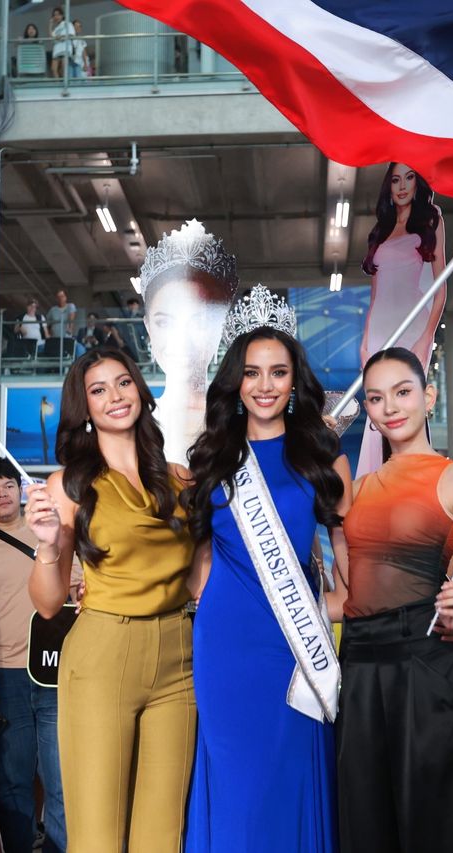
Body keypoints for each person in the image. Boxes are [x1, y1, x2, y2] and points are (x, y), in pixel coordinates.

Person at [181, 287, 352, 852]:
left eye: (278, 372)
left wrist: (332, 605)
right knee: (235, 780)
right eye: (252, 373)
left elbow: (345, 559)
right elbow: (199, 561)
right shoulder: (212, 458)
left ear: (295, 381)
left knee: (290, 771)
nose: (265, 385)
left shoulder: (323, 456)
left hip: (294, 643)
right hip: (227, 645)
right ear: (236, 382)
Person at [27, 346, 195, 852]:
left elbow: (202, 577)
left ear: (140, 390)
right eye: (98, 390)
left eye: (123, 382)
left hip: (180, 656)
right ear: (84, 407)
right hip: (104, 652)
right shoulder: (68, 487)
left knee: (163, 836)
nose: (115, 396)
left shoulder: (180, 478)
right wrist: (47, 546)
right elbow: (48, 604)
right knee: (98, 837)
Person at [338, 347, 453, 852]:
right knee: (365, 824)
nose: (390, 407)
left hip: (425, 663)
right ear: (367, 409)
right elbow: (347, 594)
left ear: (428, 396)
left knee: (436, 824)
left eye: (402, 392)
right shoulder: (355, 490)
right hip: (358, 667)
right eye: (376, 398)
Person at [0, 456, 68, 853]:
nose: (2, 494)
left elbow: (75, 588)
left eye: (7, 485)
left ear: (19, 489)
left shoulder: (50, 532)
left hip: (55, 671)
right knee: (14, 781)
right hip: (7, 677)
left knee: (60, 780)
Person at [356, 163, 447, 476]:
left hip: (413, 325)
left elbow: (440, 286)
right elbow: (375, 295)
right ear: (389, 187)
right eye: (395, 180)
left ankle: (413, 479)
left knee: (407, 401)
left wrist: (427, 335)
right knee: (379, 404)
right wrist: (365, 342)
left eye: (409, 178)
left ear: (418, 183)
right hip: (379, 329)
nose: (402, 186)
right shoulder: (381, 229)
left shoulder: (431, 218)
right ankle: (376, 481)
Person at [138, 219, 239, 464]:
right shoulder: (138, 422)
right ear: (148, 327)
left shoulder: (240, 418)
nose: (181, 340)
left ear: (220, 327)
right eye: (164, 322)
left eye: (199, 322)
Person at [45, 290, 78, 357]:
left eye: (62, 296)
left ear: (66, 297)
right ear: (56, 299)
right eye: (58, 297)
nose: (60, 298)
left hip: (66, 338)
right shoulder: (53, 310)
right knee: (55, 356)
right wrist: (47, 334)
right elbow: (45, 323)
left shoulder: (70, 306)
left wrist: (70, 328)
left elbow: (71, 318)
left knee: (67, 356)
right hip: (55, 338)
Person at [50, 7, 73, 78]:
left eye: (58, 14)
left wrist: (62, 36)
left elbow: (71, 34)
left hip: (65, 48)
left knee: (63, 69)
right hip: (57, 50)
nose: (56, 17)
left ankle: (64, 84)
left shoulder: (67, 23)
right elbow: (51, 36)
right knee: (53, 69)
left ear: (62, 15)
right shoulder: (56, 28)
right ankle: (58, 83)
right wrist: (50, 25)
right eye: (54, 15)